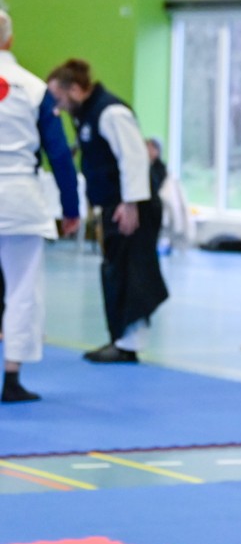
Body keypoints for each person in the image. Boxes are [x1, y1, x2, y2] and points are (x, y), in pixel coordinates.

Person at [47, 58, 167, 364]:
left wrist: (131, 203)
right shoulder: (85, 116)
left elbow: (133, 158)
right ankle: (120, 338)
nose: (58, 106)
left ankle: (129, 343)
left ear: (75, 90)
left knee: (132, 271)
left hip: (132, 206)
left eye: (59, 98)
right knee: (115, 270)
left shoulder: (111, 112)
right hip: (114, 205)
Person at [0, 10, 81, 401]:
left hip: (19, 195)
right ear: (10, 40)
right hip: (20, 198)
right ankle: (11, 377)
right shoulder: (34, 89)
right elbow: (59, 155)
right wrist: (71, 208)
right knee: (22, 288)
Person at [146, 137, 191, 253]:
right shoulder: (148, 167)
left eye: (148, 148)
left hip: (156, 205)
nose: (145, 151)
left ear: (156, 150)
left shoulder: (159, 169)